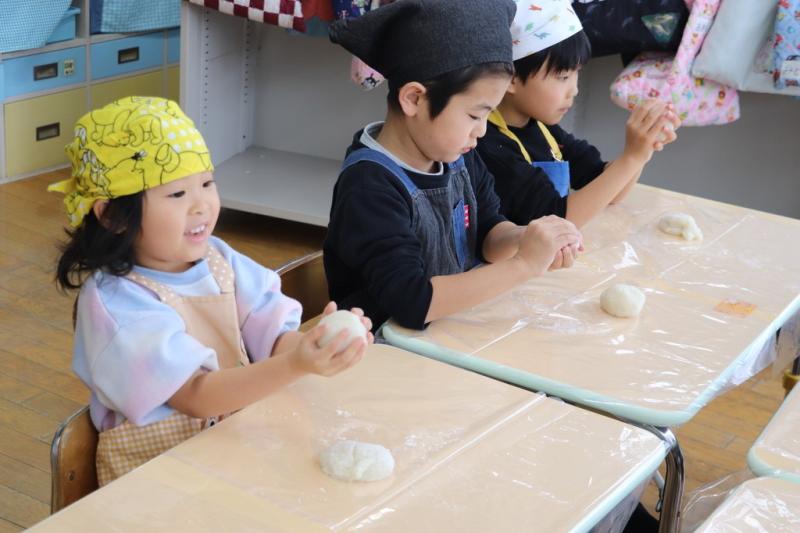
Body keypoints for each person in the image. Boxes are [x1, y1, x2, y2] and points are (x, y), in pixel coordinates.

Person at [50, 96, 372, 486]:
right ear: (113, 215)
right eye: (177, 194)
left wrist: (318, 346)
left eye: (206, 183)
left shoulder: (219, 260)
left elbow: (272, 338)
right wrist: (296, 365)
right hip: (157, 484)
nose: (201, 205)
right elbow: (195, 395)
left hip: (233, 451)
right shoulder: (117, 305)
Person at [324, 0, 583, 332]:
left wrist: (526, 238)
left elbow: (488, 230)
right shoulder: (369, 187)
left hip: (445, 333)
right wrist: (523, 265)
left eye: (488, 115)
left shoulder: (459, 156)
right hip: (383, 347)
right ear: (414, 99)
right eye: (475, 115)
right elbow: (412, 301)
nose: (482, 130)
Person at [477, 0, 681, 228]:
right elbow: (556, 219)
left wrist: (644, 146)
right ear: (511, 78)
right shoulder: (488, 145)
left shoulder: (545, 130)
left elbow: (609, 191)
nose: (574, 90)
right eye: (563, 77)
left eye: (577, 73)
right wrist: (632, 157)